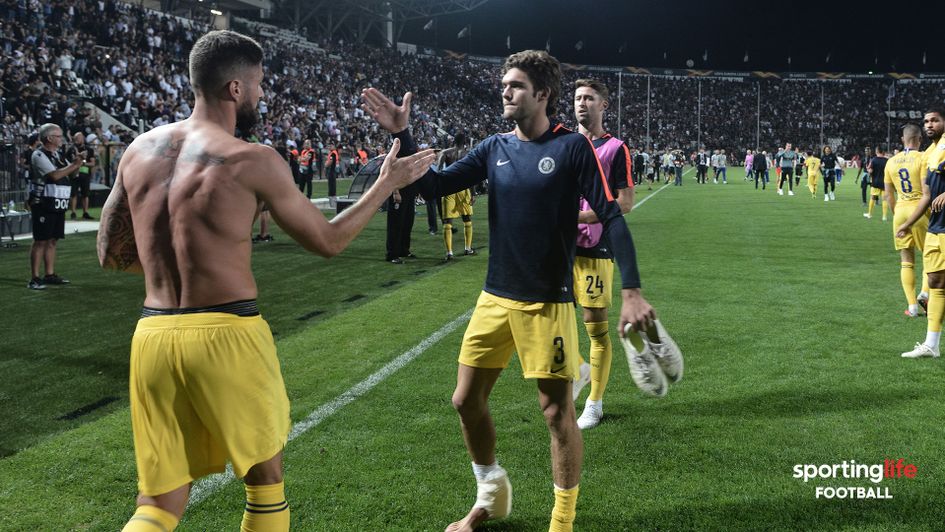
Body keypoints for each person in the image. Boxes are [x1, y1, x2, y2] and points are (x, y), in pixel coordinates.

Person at [96, 30, 434, 532]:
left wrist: (180, 265)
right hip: (226, 333)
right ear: (235, 88)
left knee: (158, 504)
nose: (261, 94)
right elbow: (329, 241)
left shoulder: (138, 150)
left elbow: (110, 253)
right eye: (257, 84)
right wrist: (387, 183)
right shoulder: (252, 159)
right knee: (264, 484)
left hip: (153, 337)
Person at [361, 49, 658, 532]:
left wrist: (633, 291)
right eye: (504, 84)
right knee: (465, 401)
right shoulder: (493, 147)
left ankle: (562, 521)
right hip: (494, 298)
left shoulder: (572, 148)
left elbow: (611, 216)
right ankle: (491, 494)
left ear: (542, 94)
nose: (505, 91)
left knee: (556, 413)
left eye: (516, 85)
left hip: (547, 302)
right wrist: (402, 133)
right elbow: (434, 187)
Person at [571, 78, 660, 430]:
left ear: (603, 105)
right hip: (559, 246)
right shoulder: (563, 143)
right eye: (577, 98)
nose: (582, 103)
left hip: (596, 246)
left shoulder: (615, 148)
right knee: (541, 318)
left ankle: (594, 402)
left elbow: (625, 203)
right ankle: (579, 370)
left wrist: (581, 218)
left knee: (594, 328)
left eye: (589, 98)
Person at [896, 108, 945, 358]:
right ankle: (931, 345)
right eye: (926, 121)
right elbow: (926, 195)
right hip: (936, 225)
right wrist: (907, 223)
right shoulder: (927, 154)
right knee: (935, 281)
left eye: (935, 120)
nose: (929, 125)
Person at [28, 123, 83, 290]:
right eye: (58, 136)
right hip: (43, 202)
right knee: (41, 240)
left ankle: (49, 274)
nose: (62, 139)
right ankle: (34, 278)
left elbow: (71, 174)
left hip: (57, 202)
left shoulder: (58, 155)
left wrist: (77, 164)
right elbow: (54, 175)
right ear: (49, 138)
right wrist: (73, 166)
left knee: (53, 240)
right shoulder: (39, 154)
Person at [885, 124, 930, 318]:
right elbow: (926, 190)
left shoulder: (891, 162)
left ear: (903, 140)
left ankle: (912, 307)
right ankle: (925, 293)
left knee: (906, 259)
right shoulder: (923, 158)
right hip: (919, 211)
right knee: (930, 255)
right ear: (920, 139)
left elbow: (888, 195)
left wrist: (898, 216)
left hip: (900, 211)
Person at [438, 132, 475, 260]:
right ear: (464, 142)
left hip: (449, 188)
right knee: (467, 218)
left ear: (453, 141)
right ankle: (468, 248)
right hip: (463, 188)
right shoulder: (468, 154)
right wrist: (473, 193)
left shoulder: (445, 153)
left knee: (447, 221)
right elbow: (471, 174)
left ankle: (449, 253)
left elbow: (439, 172)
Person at [66, 132, 96, 220]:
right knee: (73, 194)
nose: (76, 140)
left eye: (78, 138)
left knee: (85, 194)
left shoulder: (89, 149)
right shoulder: (71, 149)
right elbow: (67, 161)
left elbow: (93, 163)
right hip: (74, 174)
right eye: (75, 138)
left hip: (85, 174)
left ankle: (85, 212)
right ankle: (73, 212)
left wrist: (82, 163)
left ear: (82, 138)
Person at [865, 147, 888, 220]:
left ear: (877, 151)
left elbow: (870, 171)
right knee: (884, 199)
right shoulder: (886, 160)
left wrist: (868, 169)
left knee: (873, 197)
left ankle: (869, 214)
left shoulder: (874, 160)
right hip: (884, 182)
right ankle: (884, 216)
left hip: (875, 182)